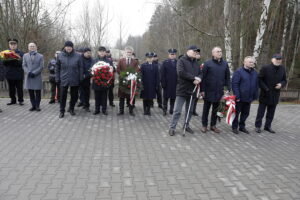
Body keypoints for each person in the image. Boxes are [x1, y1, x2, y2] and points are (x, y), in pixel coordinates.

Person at [168, 45, 202, 136]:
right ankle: (172, 127)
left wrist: (199, 78)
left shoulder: (196, 62)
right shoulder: (181, 60)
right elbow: (181, 73)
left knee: (190, 111)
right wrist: (193, 78)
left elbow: (200, 73)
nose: (195, 53)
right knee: (177, 110)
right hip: (182, 90)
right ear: (188, 51)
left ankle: (186, 126)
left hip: (193, 90)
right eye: (194, 51)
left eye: (197, 52)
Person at [201, 47, 231, 134]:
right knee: (206, 109)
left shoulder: (225, 64)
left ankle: (213, 125)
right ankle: (204, 125)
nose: (220, 53)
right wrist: (202, 90)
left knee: (216, 109)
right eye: (218, 51)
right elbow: (203, 78)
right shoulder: (207, 63)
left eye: (221, 51)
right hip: (208, 90)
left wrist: (228, 88)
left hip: (219, 91)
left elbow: (227, 78)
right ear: (213, 53)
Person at [255, 53, 287, 134]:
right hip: (265, 94)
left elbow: (284, 80)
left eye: (279, 59)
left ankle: (267, 126)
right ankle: (258, 126)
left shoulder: (283, 69)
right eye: (276, 59)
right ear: (272, 59)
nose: (278, 60)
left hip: (275, 94)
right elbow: (260, 79)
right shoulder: (265, 68)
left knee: (271, 112)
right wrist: (265, 88)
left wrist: (281, 84)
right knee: (261, 112)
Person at [56, 41, 83, 118]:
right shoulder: (60, 55)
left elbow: (81, 67)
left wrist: (81, 77)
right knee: (62, 96)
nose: (68, 48)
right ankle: (62, 111)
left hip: (75, 78)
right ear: (65, 47)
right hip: (63, 79)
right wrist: (57, 77)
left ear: (72, 47)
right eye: (67, 46)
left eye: (70, 46)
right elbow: (57, 67)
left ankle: (71, 108)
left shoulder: (78, 56)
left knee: (74, 96)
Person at [231, 56, 259, 134]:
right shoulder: (239, 72)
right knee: (237, 113)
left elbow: (256, 85)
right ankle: (234, 127)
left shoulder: (255, 73)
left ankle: (242, 127)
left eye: (252, 62)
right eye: (250, 62)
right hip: (240, 98)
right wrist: (237, 96)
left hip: (249, 97)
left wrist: (255, 96)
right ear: (244, 62)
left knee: (246, 113)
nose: (251, 64)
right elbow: (235, 84)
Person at [116, 46, 139, 116]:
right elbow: (118, 69)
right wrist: (123, 75)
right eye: (127, 52)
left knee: (130, 96)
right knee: (122, 97)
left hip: (131, 82)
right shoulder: (121, 60)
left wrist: (131, 77)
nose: (128, 53)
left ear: (132, 53)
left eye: (130, 52)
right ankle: (121, 111)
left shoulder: (135, 61)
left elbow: (137, 70)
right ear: (125, 52)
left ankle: (131, 111)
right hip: (122, 81)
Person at [22, 42, 44, 111]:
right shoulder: (25, 55)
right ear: (28, 48)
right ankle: (33, 105)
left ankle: (37, 106)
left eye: (33, 46)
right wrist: (28, 72)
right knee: (30, 92)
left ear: (36, 47)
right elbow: (24, 65)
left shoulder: (40, 56)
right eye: (30, 46)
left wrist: (34, 73)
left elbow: (41, 67)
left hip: (37, 76)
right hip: (29, 76)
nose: (32, 47)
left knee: (37, 92)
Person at [2, 39, 24, 106]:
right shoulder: (5, 53)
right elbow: (3, 63)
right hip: (9, 73)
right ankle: (13, 100)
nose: (13, 46)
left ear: (16, 45)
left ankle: (20, 100)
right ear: (9, 45)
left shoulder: (21, 53)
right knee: (11, 89)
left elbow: (22, 62)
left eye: (14, 44)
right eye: (11, 44)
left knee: (19, 88)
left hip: (18, 73)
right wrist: (10, 60)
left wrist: (14, 59)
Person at [92, 46, 113, 115]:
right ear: (98, 52)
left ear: (105, 52)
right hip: (96, 81)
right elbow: (91, 70)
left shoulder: (109, 61)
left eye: (103, 51)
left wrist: (111, 70)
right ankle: (97, 109)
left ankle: (104, 110)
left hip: (105, 81)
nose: (102, 53)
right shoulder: (94, 60)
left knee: (104, 96)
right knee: (97, 96)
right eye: (100, 51)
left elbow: (112, 70)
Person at [160, 48, 178, 116]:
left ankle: (171, 109)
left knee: (173, 98)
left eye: (174, 54)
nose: (172, 55)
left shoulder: (178, 62)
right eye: (171, 54)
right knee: (165, 98)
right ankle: (164, 110)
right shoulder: (165, 62)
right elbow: (162, 74)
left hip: (175, 83)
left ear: (175, 55)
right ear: (169, 55)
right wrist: (163, 83)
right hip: (167, 83)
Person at [80, 47, 93, 112]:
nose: (89, 54)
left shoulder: (91, 60)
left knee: (87, 93)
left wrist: (86, 75)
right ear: (84, 52)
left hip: (87, 79)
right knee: (76, 93)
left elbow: (92, 70)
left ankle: (86, 106)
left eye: (90, 53)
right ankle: (73, 106)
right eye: (88, 53)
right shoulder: (79, 58)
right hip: (79, 79)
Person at [192, 51, 203, 116]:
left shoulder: (201, 63)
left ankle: (194, 110)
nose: (198, 55)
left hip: (199, 82)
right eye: (197, 54)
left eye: (199, 54)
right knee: (192, 97)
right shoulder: (193, 62)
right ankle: (191, 109)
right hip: (193, 81)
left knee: (196, 97)